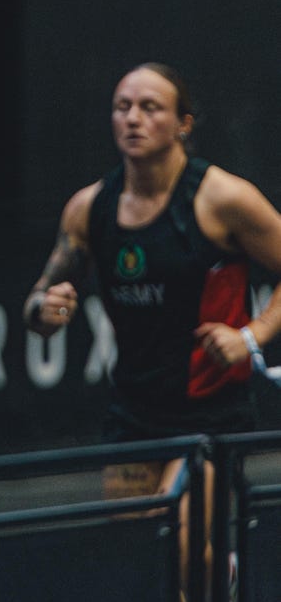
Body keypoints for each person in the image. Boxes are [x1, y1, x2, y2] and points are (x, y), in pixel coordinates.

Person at [23, 62, 281, 462]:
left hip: (212, 413)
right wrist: (45, 311)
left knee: (185, 523)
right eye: (122, 107)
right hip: (132, 412)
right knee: (133, 526)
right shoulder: (87, 208)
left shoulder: (224, 199)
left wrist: (251, 336)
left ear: (184, 124)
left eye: (150, 107)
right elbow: (36, 305)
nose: (133, 119)